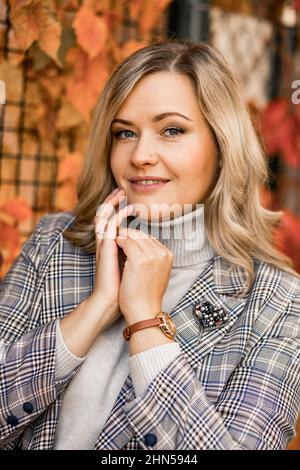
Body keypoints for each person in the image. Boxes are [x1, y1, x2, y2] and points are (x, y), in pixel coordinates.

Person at [0, 38, 299, 451]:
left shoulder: (278, 301)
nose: (140, 154)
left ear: (222, 144)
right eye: (125, 133)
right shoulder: (54, 244)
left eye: (171, 130)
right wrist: (99, 305)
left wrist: (144, 320)